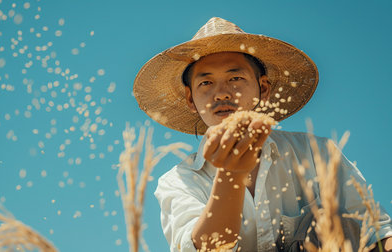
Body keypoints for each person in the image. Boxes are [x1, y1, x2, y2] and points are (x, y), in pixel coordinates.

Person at [133, 17, 392, 252]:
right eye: (206, 83)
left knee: (330, 220)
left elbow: (376, 232)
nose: (222, 93)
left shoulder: (317, 154)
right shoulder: (179, 180)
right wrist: (230, 175)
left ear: (263, 88)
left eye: (236, 79)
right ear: (191, 99)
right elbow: (205, 248)